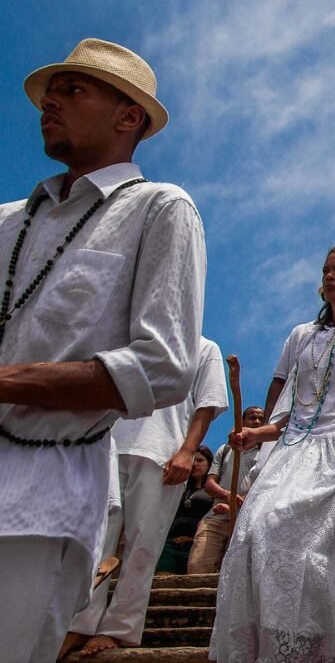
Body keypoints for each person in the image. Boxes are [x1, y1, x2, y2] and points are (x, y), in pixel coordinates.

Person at [0, 39, 207, 662]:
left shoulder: (159, 209)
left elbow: (163, 365)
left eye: (74, 90)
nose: (50, 103)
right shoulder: (9, 220)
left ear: (128, 118)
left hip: (44, 490)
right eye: (50, 91)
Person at [209, 243, 335, 662]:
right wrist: (259, 434)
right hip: (297, 448)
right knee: (259, 527)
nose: (329, 277)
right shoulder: (303, 334)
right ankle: (286, 647)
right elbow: (295, 405)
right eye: (325, 270)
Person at [63, 336, 228, 656]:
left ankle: (120, 627)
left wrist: (187, 451)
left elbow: (207, 403)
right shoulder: (131, 339)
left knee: (143, 545)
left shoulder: (204, 347)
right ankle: (79, 622)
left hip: (162, 454)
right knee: (95, 541)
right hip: (108, 445)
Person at [187, 405, 267, 574]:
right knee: (198, 565)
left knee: (237, 572)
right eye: (252, 418)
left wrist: (234, 505)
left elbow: (265, 488)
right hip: (216, 516)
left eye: (261, 418)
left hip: (248, 519)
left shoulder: (267, 453)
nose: (257, 421)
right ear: (242, 422)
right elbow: (210, 484)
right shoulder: (225, 450)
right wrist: (228, 496)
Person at [155, 446, 215, 574]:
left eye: (200, 461)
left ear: (209, 464)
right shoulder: (180, 487)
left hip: (196, 546)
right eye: (193, 460)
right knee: (162, 583)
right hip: (171, 543)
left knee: (193, 584)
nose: (195, 464)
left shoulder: (213, 490)